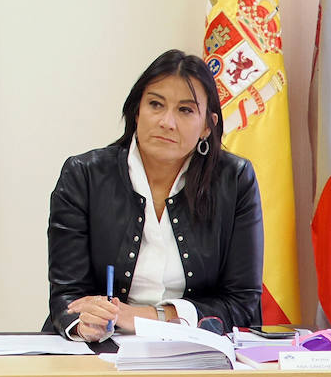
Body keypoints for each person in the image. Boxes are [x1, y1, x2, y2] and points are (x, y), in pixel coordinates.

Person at [46, 49, 263, 340]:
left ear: (207, 126)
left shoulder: (234, 180)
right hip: (102, 349)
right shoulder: (84, 175)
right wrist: (85, 322)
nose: (167, 122)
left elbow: (242, 302)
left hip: (198, 350)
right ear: (137, 111)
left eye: (185, 110)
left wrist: (147, 317)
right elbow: (67, 296)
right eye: (155, 104)